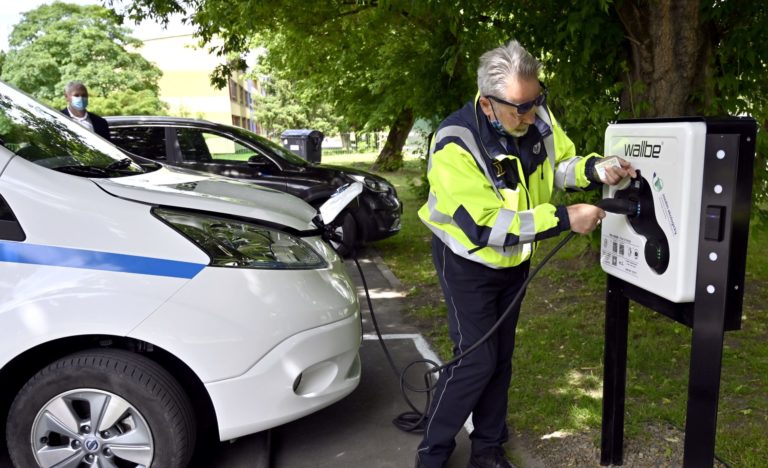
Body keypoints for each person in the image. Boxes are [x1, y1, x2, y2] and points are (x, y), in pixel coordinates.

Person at [415, 40, 635, 468]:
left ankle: (488, 452)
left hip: (513, 262)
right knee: (476, 360)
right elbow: (485, 226)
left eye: (536, 102)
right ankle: (432, 453)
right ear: (487, 103)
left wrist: (596, 169)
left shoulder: (535, 115)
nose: (531, 115)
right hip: (467, 262)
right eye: (520, 108)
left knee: (501, 359)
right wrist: (564, 217)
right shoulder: (454, 144)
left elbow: (562, 165)